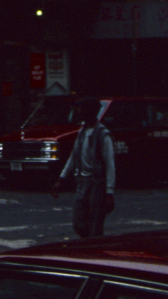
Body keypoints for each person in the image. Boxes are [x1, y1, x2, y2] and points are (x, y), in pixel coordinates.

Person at [52, 96, 116, 237]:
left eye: (81, 109)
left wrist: (109, 192)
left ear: (90, 111)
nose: (79, 112)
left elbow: (110, 164)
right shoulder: (81, 132)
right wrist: (61, 179)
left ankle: (94, 248)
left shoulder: (103, 135)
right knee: (79, 223)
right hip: (82, 183)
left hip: (97, 185)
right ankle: (91, 243)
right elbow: (73, 157)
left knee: (95, 224)